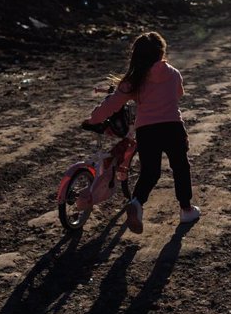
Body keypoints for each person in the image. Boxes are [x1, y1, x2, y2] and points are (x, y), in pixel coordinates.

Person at [85, 31, 200, 234]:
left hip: (147, 130)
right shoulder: (173, 73)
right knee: (180, 167)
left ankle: (136, 203)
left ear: (136, 55)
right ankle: (186, 209)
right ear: (162, 51)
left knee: (150, 172)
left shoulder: (133, 81)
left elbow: (110, 104)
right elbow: (178, 94)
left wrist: (93, 119)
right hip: (173, 127)